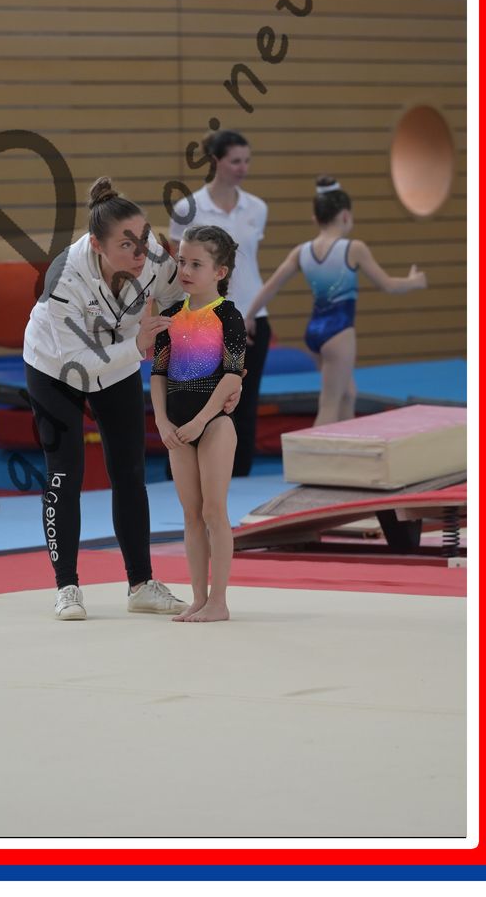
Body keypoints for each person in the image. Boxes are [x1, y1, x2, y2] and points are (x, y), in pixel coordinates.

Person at [23, 177, 241, 620]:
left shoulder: (155, 259)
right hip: (56, 367)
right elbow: (77, 364)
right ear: (97, 246)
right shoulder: (65, 279)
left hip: (120, 361)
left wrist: (228, 373)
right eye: (127, 244)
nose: (142, 251)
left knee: (129, 471)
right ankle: (67, 586)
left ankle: (140, 584)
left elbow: (190, 306)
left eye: (143, 237)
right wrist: (138, 345)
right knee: (65, 472)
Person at [244, 176, 428, 426]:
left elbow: (271, 287)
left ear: (315, 219)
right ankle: (313, 452)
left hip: (315, 331)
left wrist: (250, 315)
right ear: (345, 215)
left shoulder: (302, 251)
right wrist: (414, 281)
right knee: (329, 404)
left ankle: (349, 446)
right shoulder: (353, 248)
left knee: (348, 394)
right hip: (339, 331)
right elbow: (388, 285)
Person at [150, 226, 246, 623]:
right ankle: (198, 598)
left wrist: (202, 419)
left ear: (219, 272)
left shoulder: (229, 316)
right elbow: (158, 374)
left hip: (214, 425)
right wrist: (161, 420)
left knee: (213, 511)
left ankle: (219, 601)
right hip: (177, 429)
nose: (185, 271)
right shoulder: (170, 318)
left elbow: (232, 374)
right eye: (182, 262)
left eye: (196, 264)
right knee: (190, 514)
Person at [168, 130, 269, 477]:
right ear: (215, 161)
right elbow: (179, 268)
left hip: (251, 316)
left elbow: (249, 267)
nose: (243, 168)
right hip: (201, 319)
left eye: (247, 161)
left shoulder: (257, 208)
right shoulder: (188, 208)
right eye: (235, 161)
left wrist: (249, 314)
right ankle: (185, 472)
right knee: (191, 396)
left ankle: (238, 475)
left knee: (244, 399)